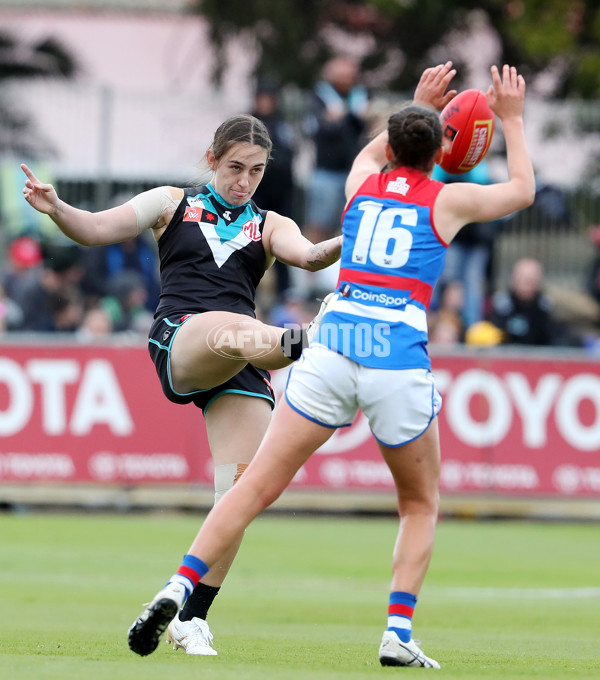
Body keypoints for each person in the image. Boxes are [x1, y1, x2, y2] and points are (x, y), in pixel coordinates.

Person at [126, 62, 535, 667]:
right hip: (395, 353)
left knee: (255, 485)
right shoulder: (448, 200)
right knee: (419, 504)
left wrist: (415, 104)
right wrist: (513, 120)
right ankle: (397, 631)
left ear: (390, 145)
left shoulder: (361, 184)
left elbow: (376, 152)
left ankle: (179, 587)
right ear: (443, 152)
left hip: (334, 344)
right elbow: (523, 191)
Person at [20, 113, 342, 655]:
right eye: (236, 167)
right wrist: (57, 210)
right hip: (183, 338)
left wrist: (352, 237)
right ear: (213, 159)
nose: (245, 181)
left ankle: (191, 618)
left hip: (245, 358)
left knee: (237, 496)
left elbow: (309, 257)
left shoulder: (270, 223)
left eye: (257, 172)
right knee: (233, 331)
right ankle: (309, 339)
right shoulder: (171, 201)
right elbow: (97, 229)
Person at [487, 256, 560, 346]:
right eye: (525, 280)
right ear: (514, 280)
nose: (529, 285)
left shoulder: (546, 308)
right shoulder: (501, 307)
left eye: (532, 280)